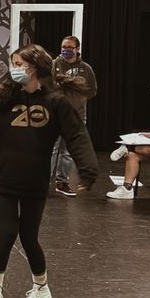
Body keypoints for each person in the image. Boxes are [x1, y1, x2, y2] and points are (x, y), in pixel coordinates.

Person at [0, 44, 98, 298]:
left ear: (33, 67)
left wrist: (87, 169)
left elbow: (76, 135)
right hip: (4, 178)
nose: (14, 67)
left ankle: (42, 288)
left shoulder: (56, 101)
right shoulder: (5, 98)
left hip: (34, 181)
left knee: (29, 236)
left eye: (18, 63)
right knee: (8, 231)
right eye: (13, 62)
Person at [50, 35, 98, 197]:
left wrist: (77, 95)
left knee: (67, 151)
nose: (66, 50)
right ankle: (43, 181)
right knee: (52, 148)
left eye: (70, 47)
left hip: (77, 115)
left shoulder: (86, 68)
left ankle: (61, 182)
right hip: (56, 114)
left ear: (77, 49)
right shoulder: (54, 65)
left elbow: (92, 91)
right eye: (64, 47)